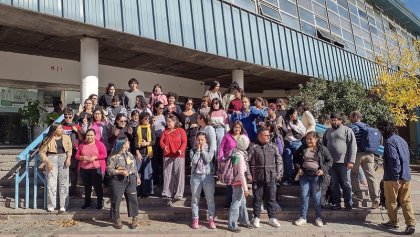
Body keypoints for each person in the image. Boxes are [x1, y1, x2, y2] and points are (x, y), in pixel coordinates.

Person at [377, 120, 416, 235]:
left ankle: (393, 222)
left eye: (380, 130)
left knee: (391, 201)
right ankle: (411, 223)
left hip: (393, 177)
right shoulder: (402, 140)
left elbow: (395, 160)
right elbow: (406, 157)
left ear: (384, 130)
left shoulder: (389, 141)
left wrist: (395, 178)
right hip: (406, 175)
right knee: (406, 200)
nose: (380, 133)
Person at [293, 131, 333, 227]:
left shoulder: (322, 149)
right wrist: (299, 168)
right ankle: (303, 217)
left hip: (316, 176)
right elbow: (295, 159)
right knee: (304, 196)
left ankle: (318, 217)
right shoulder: (302, 148)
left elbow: (330, 161)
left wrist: (323, 170)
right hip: (304, 175)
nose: (308, 141)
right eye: (307, 139)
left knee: (317, 198)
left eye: (311, 139)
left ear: (316, 139)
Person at [247, 126, 283, 228]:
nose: (268, 137)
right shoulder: (253, 147)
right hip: (257, 178)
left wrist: (279, 174)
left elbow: (279, 161)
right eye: (266, 135)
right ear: (259, 136)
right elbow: (247, 161)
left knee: (271, 198)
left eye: (269, 135)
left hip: (271, 177)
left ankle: (272, 218)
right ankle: (256, 217)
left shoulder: (273, 146)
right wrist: (249, 175)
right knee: (257, 198)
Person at [322, 112, 357, 211]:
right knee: (333, 183)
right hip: (331, 163)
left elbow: (353, 147)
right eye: (332, 120)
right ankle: (337, 203)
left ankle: (348, 203)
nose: (333, 122)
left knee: (346, 184)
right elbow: (324, 146)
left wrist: (351, 161)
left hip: (344, 162)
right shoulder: (327, 131)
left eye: (335, 120)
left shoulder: (347, 130)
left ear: (340, 120)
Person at [348, 111, 380, 208]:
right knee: (371, 176)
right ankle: (375, 199)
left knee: (354, 174)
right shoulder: (367, 126)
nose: (349, 118)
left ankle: (358, 196)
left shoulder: (351, 127)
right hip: (370, 154)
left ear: (355, 116)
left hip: (357, 154)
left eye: (350, 116)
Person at [107, 138, 141, 229]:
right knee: (116, 200)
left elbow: (134, 168)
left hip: (131, 179)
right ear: (122, 144)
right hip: (118, 181)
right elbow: (109, 170)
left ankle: (134, 217)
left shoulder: (130, 155)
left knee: (132, 199)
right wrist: (119, 172)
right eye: (127, 142)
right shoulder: (113, 156)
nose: (129, 143)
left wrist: (137, 177)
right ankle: (116, 218)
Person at [38, 123, 72, 212]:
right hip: (51, 159)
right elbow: (41, 152)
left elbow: (69, 149)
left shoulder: (66, 137)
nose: (62, 129)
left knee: (64, 183)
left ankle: (63, 205)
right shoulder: (48, 139)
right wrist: (47, 161)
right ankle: (51, 205)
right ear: (55, 129)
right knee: (51, 182)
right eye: (59, 128)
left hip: (63, 158)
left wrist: (68, 158)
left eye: (62, 128)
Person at [75, 129, 107, 210]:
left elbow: (104, 154)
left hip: (96, 168)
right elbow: (77, 156)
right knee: (87, 187)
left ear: (95, 136)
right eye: (88, 135)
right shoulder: (82, 145)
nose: (89, 137)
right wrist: (83, 157)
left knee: (97, 187)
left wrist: (95, 157)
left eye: (91, 135)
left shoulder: (99, 144)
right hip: (84, 169)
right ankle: (87, 203)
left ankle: (100, 203)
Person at [189, 132, 216, 229]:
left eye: (202, 140)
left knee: (210, 199)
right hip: (196, 177)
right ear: (196, 140)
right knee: (195, 199)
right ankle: (195, 219)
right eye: (198, 140)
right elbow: (194, 161)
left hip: (207, 176)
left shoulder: (210, 149)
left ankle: (211, 219)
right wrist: (198, 151)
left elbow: (208, 159)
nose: (200, 142)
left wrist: (203, 151)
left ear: (206, 141)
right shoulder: (192, 150)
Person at [227, 135, 253, 232]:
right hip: (238, 181)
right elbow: (241, 174)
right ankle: (232, 224)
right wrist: (246, 189)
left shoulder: (234, 151)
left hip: (235, 180)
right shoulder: (240, 156)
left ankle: (244, 221)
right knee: (236, 203)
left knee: (242, 202)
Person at [219, 121, 247, 208]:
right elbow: (221, 148)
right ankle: (229, 202)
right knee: (230, 181)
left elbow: (247, 147)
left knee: (239, 181)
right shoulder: (227, 136)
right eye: (235, 127)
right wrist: (220, 159)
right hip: (229, 162)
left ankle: (239, 203)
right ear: (232, 127)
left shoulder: (244, 136)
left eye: (239, 127)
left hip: (240, 161)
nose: (237, 129)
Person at [159, 114, 187, 200]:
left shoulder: (181, 130)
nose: (168, 123)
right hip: (167, 155)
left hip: (179, 156)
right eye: (167, 121)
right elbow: (161, 142)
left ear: (175, 122)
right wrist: (164, 147)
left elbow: (184, 142)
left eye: (169, 121)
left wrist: (181, 150)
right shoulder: (165, 131)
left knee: (179, 174)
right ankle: (167, 193)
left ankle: (178, 194)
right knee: (167, 174)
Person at [61, 108, 83, 197]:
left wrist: (77, 131)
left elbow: (82, 139)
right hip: (63, 150)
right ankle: (64, 191)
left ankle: (72, 191)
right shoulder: (61, 126)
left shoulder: (76, 126)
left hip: (74, 151)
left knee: (73, 172)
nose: (68, 119)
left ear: (73, 116)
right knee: (64, 172)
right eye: (66, 117)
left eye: (70, 117)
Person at [134, 112, 156, 198]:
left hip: (148, 153)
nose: (147, 120)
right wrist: (137, 151)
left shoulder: (151, 127)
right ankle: (138, 192)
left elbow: (154, 141)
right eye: (145, 118)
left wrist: (147, 143)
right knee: (138, 173)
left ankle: (146, 192)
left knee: (147, 173)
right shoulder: (137, 128)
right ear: (141, 119)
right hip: (139, 153)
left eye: (148, 118)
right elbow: (135, 141)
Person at [282, 108, 306, 185]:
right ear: (290, 115)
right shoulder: (285, 121)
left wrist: (292, 126)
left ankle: (299, 178)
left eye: (296, 114)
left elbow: (303, 132)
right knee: (287, 160)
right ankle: (289, 179)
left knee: (299, 160)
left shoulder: (298, 122)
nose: (296, 115)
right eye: (295, 114)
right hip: (287, 142)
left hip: (297, 142)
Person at [179, 98, 199, 167]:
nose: (190, 105)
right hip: (183, 136)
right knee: (182, 151)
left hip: (192, 136)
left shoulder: (195, 114)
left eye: (191, 104)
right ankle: (182, 167)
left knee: (193, 151)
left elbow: (200, 124)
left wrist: (196, 125)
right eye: (188, 104)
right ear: (185, 104)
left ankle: (193, 166)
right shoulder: (181, 114)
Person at [152, 101, 166, 186]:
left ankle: (163, 180)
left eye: (163, 108)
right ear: (156, 108)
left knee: (162, 160)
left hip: (164, 140)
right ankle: (156, 180)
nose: (161, 110)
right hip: (155, 140)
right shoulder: (153, 117)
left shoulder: (165, 117)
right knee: (155, 160)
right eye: (160, 108)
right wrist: (152, 123)